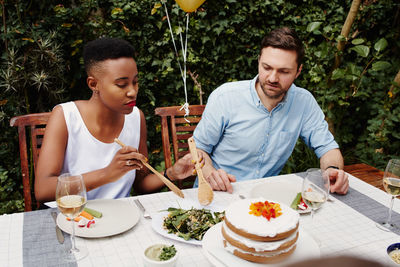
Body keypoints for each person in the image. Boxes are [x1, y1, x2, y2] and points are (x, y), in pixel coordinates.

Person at [35, 37, 198, 202]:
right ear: (93, 84)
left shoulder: (135, 117)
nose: (132, 92)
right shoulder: (66, 116)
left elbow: (141, 183)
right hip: (73, 218)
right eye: (122, 84)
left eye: (135, 82)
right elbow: (43, 189)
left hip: (121, 219)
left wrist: (171, 173)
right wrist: (107, 174)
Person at [193, 27, 349, 194]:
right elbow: (198, 149)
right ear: (259, 61)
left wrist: (333, 170)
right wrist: (210, 174)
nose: (273, 78)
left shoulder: (304, 102)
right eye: (267, 67)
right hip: (217, 194)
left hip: (265, 197)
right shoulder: (225, 97)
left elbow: (327, 147)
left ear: (298, 71)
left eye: (284, 71)